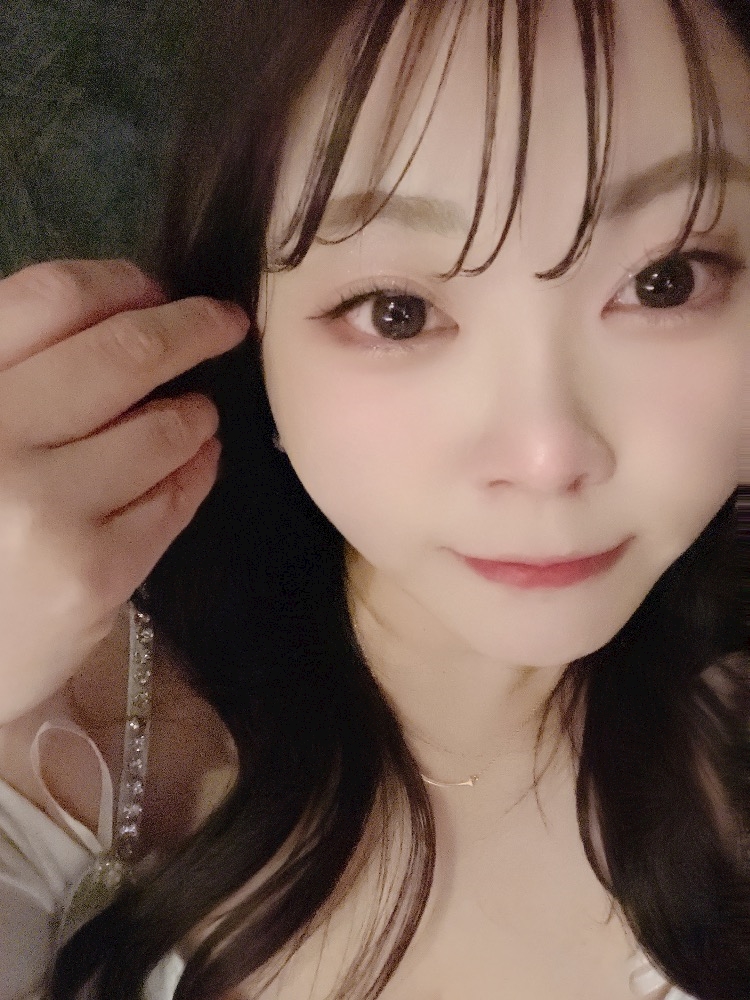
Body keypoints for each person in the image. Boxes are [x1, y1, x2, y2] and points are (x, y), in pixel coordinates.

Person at [0, 0, 747, 998]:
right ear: (252, 335)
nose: (545, 456)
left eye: (667, 281)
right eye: (397, 313)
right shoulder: (73, 721)